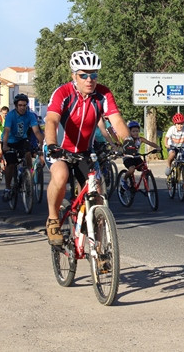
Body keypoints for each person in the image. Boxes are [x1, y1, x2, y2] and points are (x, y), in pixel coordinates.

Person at [44, 50, 134, 246]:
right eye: (83, 75)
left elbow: (116, 119)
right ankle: (52, 219)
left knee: (99, 195)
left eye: (93, 75)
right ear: (74, 76)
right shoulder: (63, 93)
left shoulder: (103, 94)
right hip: (59, 149)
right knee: (60, 175)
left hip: (84, 151)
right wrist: (52, 145)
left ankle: (100, 249)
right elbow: (51, 120)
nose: (89, 80)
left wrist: (127, 141)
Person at [1, 93, 44, 201]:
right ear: (16, 106)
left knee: (28, 152)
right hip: (9, 141)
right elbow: (6, 131)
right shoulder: (11, 115)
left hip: (22, 140)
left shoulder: (29, 115)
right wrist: (5, 145)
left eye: (24, 105)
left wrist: (41, 143)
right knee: (11, 164)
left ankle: (27, 175)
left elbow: (36, 131)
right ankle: (7, 188)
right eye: (20, 105)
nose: (22, 107)